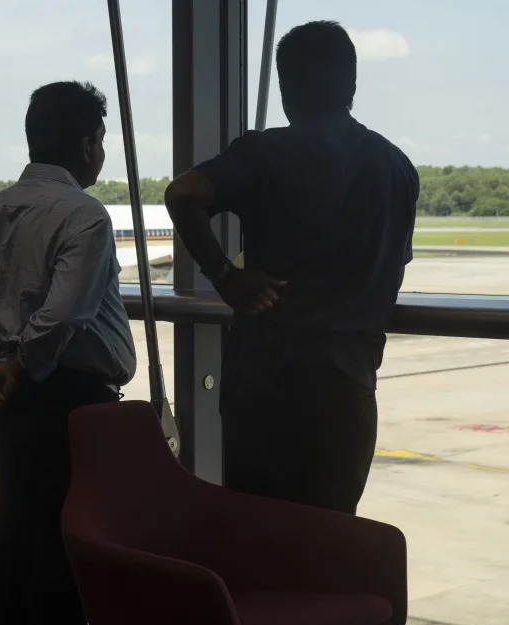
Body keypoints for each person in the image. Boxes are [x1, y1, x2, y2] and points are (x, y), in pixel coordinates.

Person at [164, 20, 418, 516]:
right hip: (347, 387)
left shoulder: (266, 152)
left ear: (284, 88)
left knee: (257, 539)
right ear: (352, 84)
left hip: (263, 384)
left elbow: (182, 194)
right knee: (327, 542)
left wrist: (225, 276)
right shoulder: (397, 168)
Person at [0, 81, 136, 625]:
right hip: (69, 398)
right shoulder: (86, 216)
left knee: (16, 526)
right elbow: (64, 314)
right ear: (88, 142)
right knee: (64, 541)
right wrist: (21, 365)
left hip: (8, 395)